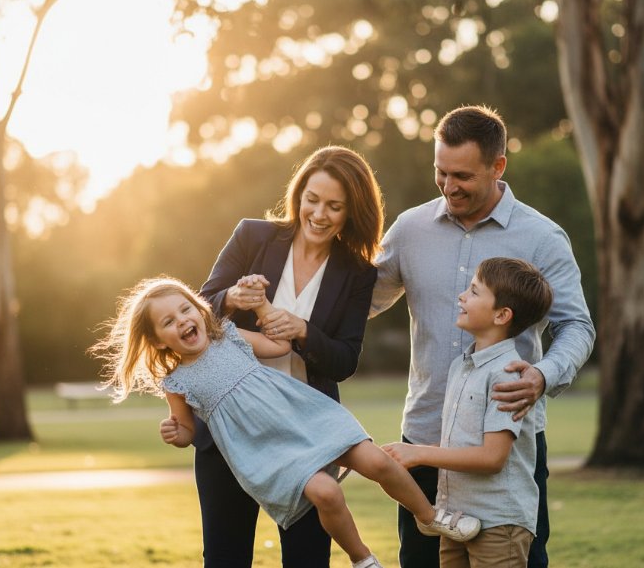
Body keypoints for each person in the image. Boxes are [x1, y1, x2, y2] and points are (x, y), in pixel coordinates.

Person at [95, 276, 482, 568]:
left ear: (199, 310)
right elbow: (188, 432)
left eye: (185, 310)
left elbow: (279, 346)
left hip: (302, 415)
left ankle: (430, 517)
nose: (181, 321)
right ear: (159, 341)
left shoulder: (227, 335)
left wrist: (262, 308)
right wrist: (175, 433)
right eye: (167, 322)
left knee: (379, 461)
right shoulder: (176, 381)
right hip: (267, 449)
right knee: (327, 494)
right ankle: (363, 559)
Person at [370, 105, 596, 568]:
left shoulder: (543, 237)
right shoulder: (409, 230)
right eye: (440, 172)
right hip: (424, 441)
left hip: (508, 452)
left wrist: (542, 375)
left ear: (498, 167)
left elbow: (576, 326)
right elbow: (359, 302)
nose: (449, 186)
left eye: (463, 176)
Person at [197, 146, 385, 567]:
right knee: (225, 558)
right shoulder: (253, 236)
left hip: (306, 434)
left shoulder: (358, 273)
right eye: (312, 200)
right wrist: (229, 297)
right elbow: (198, 309)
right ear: (298, 195)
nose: (319, 214)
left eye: (334, 206)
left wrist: (304, 332)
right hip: (231, 427)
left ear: (352, 211)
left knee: (308, 559)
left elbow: (345, 360)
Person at [383, 258, 554, 567]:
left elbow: (491, 458)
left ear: (502, 315)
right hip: (457, 520)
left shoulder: (506, 376)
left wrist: (420, 453)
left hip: (498, 524)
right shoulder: (462, 366)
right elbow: (462, 444)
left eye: (474, 291)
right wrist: (403, 453)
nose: (462, 296)